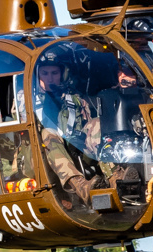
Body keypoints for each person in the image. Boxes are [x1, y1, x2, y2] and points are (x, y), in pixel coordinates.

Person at [32, 51, 102, 203]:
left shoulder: (74, 99)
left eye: (54, 73)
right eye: (44, 73)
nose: (50, 78)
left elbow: (88, 125)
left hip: (75, 149)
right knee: (48, 132)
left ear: (62, 74)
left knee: (96, 123)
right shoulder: (27, 99)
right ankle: (80, 186)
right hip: (40, 155)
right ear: (37, 75)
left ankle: (115, 176)